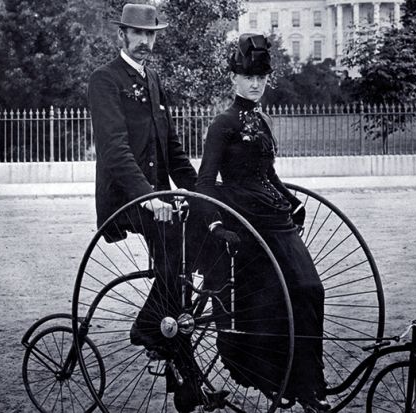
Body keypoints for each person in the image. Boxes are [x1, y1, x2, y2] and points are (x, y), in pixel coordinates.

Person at [195, 33, 330, 413]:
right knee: (275, 305)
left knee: (310, 290)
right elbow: (205, 182)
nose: (255, 83)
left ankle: (308, 381)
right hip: (248, 228)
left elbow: (267, 173)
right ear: (233, 78)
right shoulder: (222, 124)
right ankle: (287, 383)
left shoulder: (263, 120)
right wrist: (214, 226)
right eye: (247, 75)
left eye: (261, 76)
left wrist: (290, 200)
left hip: (276, 220)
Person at [87, 4, 200, 411]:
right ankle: (147, 328)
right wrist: (149, 198)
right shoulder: (105, 80)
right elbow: (115, 152)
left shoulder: (153, 80)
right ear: (122, 35)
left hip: (158, 199)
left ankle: (186, 383)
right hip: (126, 199)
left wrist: (203, 190)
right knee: (173, 248)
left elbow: (171, 149)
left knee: (185, 266)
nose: (146, 42)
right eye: (138, 34)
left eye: (151, 35)